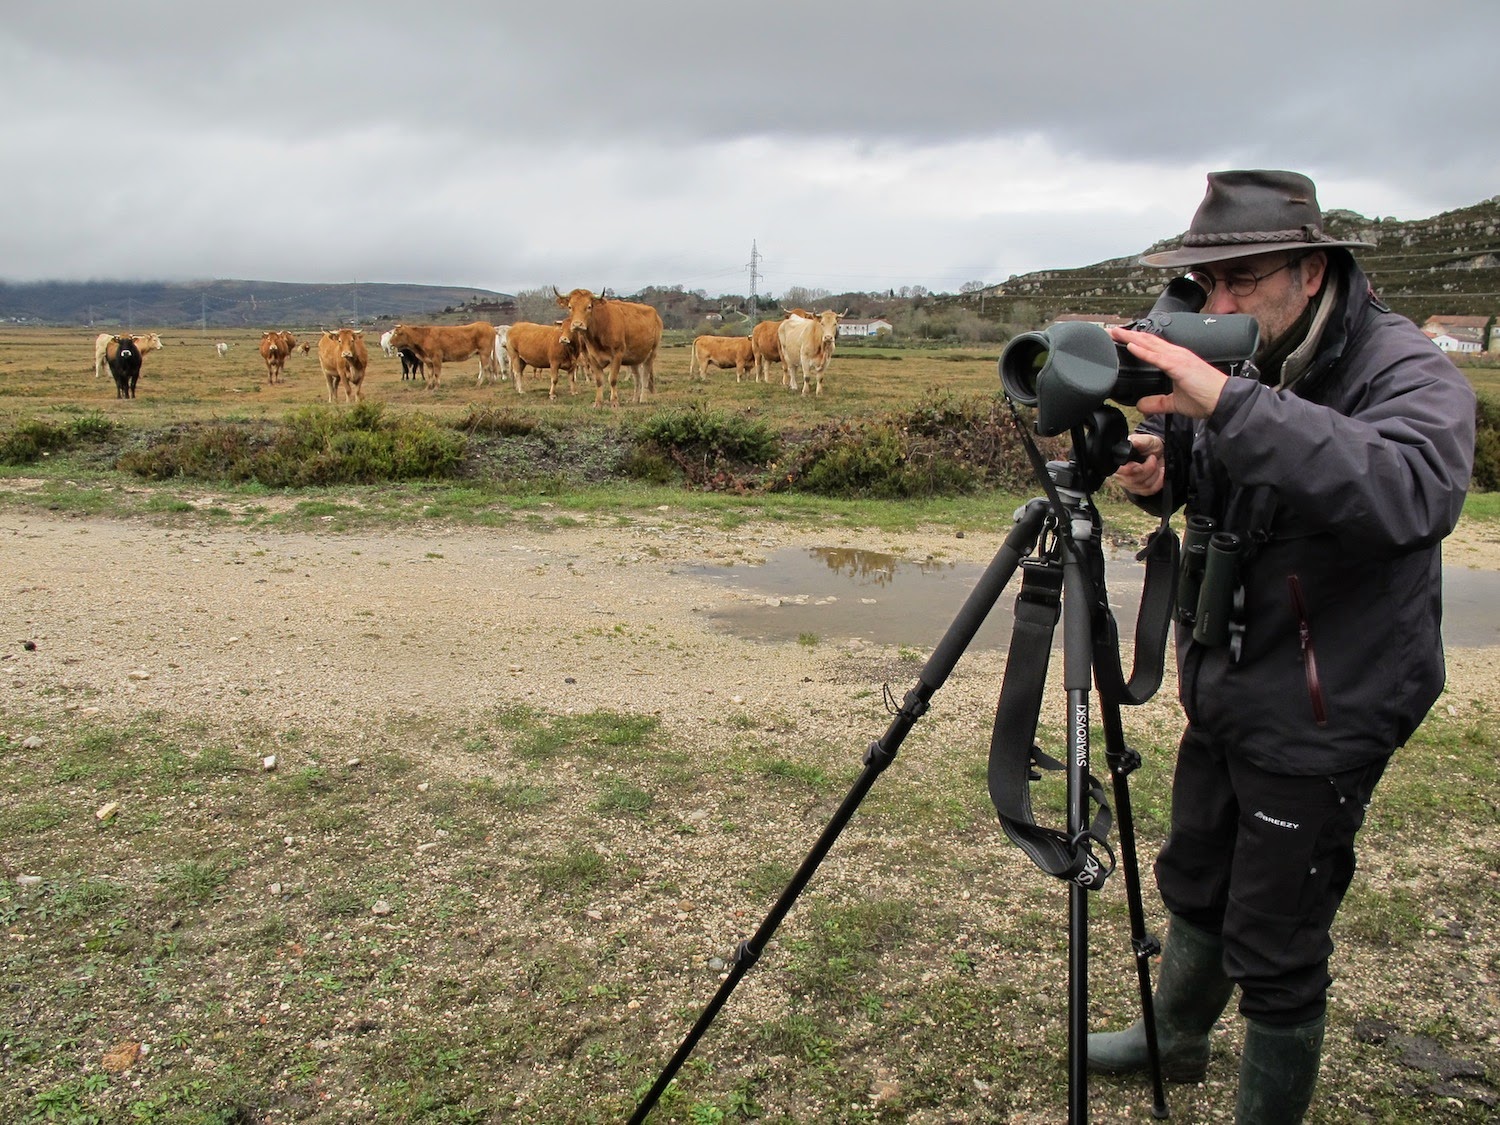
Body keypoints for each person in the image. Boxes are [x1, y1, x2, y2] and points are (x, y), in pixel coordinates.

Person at [1088, 170, 1476, 1123]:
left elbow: (1412, 491)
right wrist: (1164, 467)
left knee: (1278, 931)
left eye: (1242, 279)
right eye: (1204, 285)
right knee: (1196, 868)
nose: (1218, 305)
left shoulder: (1403, 367)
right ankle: (1175, 1036)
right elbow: (1235, 462)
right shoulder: (1253, 347)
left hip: (1328, 695)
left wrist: (1224, 402)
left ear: (1311, 270)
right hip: (1231, 672)